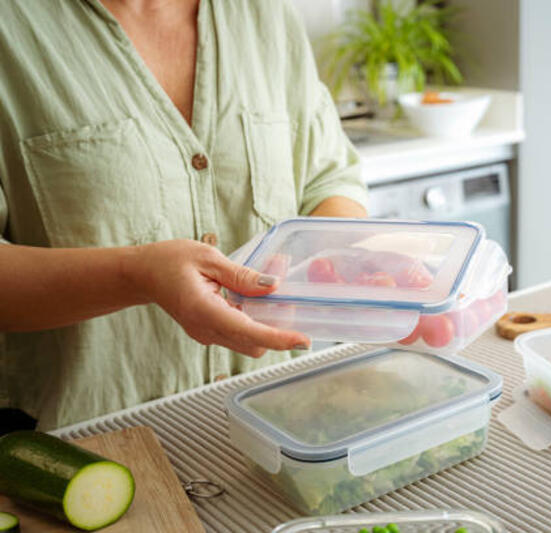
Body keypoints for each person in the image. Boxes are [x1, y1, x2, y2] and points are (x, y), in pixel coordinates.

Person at [0, 0, 368, 431]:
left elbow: (329, 177)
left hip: (277, 424)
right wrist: (138, 275)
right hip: (85, 447)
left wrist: (319, 265)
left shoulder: (264, 14)